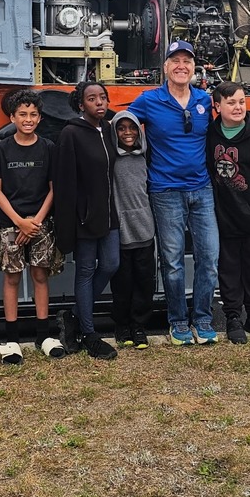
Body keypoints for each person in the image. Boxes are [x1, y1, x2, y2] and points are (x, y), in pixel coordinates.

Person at [129, 41, 219, 346]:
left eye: (187, 61)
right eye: (175, 61)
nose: (182, 66)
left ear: (194, 67)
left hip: (202, 189)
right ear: (165, 67)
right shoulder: (149, 100)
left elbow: (236, 116)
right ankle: (179, 321)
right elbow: (121, 125)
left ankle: (203, 318)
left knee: (209, 257)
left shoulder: (205, 99)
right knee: (173, 261)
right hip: (165, 190)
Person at [0, 89, 66, 364]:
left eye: (33, 115)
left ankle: (43, 334)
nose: (28, 119)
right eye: (22, 114)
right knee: (11, 278)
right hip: (10, 224)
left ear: (40, 118)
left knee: (40, 277)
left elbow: (55, 189)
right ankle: (11, 339)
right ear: (12, 117)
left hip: (40, 223)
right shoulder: (1, 148)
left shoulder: (49, 147)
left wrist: (36, 221)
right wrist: (20, 221)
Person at [206, 82, 250, 344]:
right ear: (217, 107)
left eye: (241, 102)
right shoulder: (210, 136)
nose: (237, 107)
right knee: (228, 269)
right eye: (230, 103)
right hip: (224, 216)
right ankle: (233, 316)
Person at [53, 82, 120, 361]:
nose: (99, 103)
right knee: (85, 272)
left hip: (108, 214)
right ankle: (89, 333)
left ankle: (75, 316)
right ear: (81, 105)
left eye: (103, 97)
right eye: (92, 99)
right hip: (83, 217)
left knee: (111, 264)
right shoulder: (71, 133)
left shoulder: (108, 131)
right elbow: (64, 182)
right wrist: (68, 222)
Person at [110, 110, 156, 350]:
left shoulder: (146, 157)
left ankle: (139, 327)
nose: (127, 133)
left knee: (143, 281)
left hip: (145, 229)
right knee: (122, 282)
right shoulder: (110, 158)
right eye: (121, 128)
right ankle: (122, 326)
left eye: (131, 128)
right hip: (120, 230)